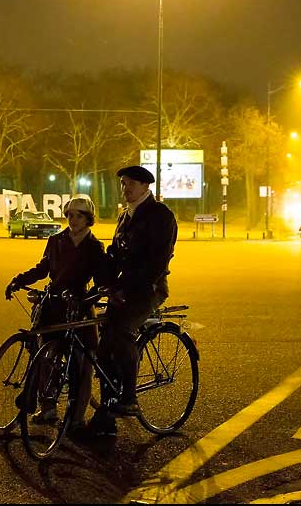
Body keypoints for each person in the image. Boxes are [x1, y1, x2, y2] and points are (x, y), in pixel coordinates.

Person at [83, 165, 178, 438]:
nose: (125, 189)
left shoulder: (160, 215)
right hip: (123, 289)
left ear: (145, 186)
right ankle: (107, 414)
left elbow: (159, 260)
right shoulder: (125, 215)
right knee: (102, 351)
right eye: (123, 184)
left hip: (149, 288)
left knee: (122, 332)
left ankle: (129, 397)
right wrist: (104, 283)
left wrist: (126, 287)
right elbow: (115, 254)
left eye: (130, 184)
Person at [5, 196, 112, 428]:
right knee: (46, 358)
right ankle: (48, 408)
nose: (73, 220)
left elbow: (101, 281)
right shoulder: (55, 241)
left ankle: (76, 418)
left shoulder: (94, 246)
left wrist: (87, 298)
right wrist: (18, 280)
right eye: (70, 215)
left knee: (82, 364)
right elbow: (42, 268)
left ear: (88, 219)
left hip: (79, 308)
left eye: (79, 215)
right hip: (53, 306)